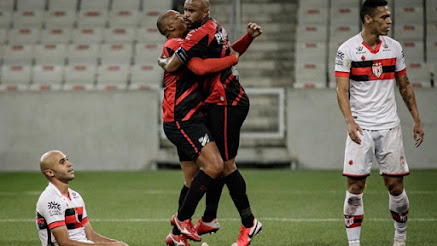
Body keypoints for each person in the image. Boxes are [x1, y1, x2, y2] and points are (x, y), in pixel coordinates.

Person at [159, 1, 263, 245]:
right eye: (181, 13)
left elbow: (207, 64)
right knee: (208, 169)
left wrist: (240, 49)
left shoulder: (199, 34)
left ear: (206, 12)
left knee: (221, 165)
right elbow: (201, 66)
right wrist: (238, 52)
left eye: (189, 11)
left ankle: (241, 223)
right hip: (189, 114)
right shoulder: (192, 36)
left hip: (223, 101)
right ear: (169, 28)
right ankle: (192, 225)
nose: (185, 16)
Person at [334, 1, 424, 246]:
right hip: (361, 128)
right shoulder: (347, 50)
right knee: (355, 187)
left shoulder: (394, 48)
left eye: (389, 16)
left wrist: (416, 118)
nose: (389, 21)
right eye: (383, 16)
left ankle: (400, 238)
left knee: (395, 186)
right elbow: (341, 90)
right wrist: (349, 121)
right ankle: (354, 244)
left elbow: (404, 85)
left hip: (389, 127)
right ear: (368, 19)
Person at [35, 150, 129, 246]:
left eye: (67, 160)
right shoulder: (50, 200)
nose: (69, 164)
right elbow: (64, 243)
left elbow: (91, 236)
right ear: (50, 172)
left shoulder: (75, 196)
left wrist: (116, 243)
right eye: (62, 162)